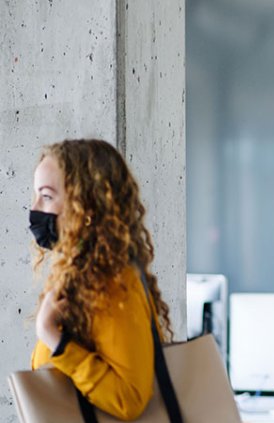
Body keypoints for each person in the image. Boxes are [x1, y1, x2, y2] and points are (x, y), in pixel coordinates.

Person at [29, 139, 173, 420]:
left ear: (86, 206)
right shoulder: (78, 275)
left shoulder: (114, 283)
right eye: (35, 195)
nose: (35, 208)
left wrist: (53, 336)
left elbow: (129, 399)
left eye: (46, 196)